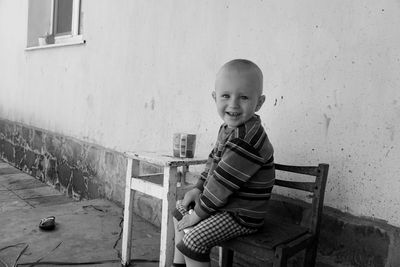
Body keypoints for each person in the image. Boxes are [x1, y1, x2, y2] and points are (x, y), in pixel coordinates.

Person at [172, 59, 275, 267]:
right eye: (226, 96)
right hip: (226, 205)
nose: (234, 104)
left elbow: (220, 186)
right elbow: (213, 162)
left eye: (244, 97)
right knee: (179, 210)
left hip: (242, 214)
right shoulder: (228, 128)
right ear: (215, 97)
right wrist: (198, 188)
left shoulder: (247, 139)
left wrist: (198, 215)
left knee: (194, 241)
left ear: (259, 102)